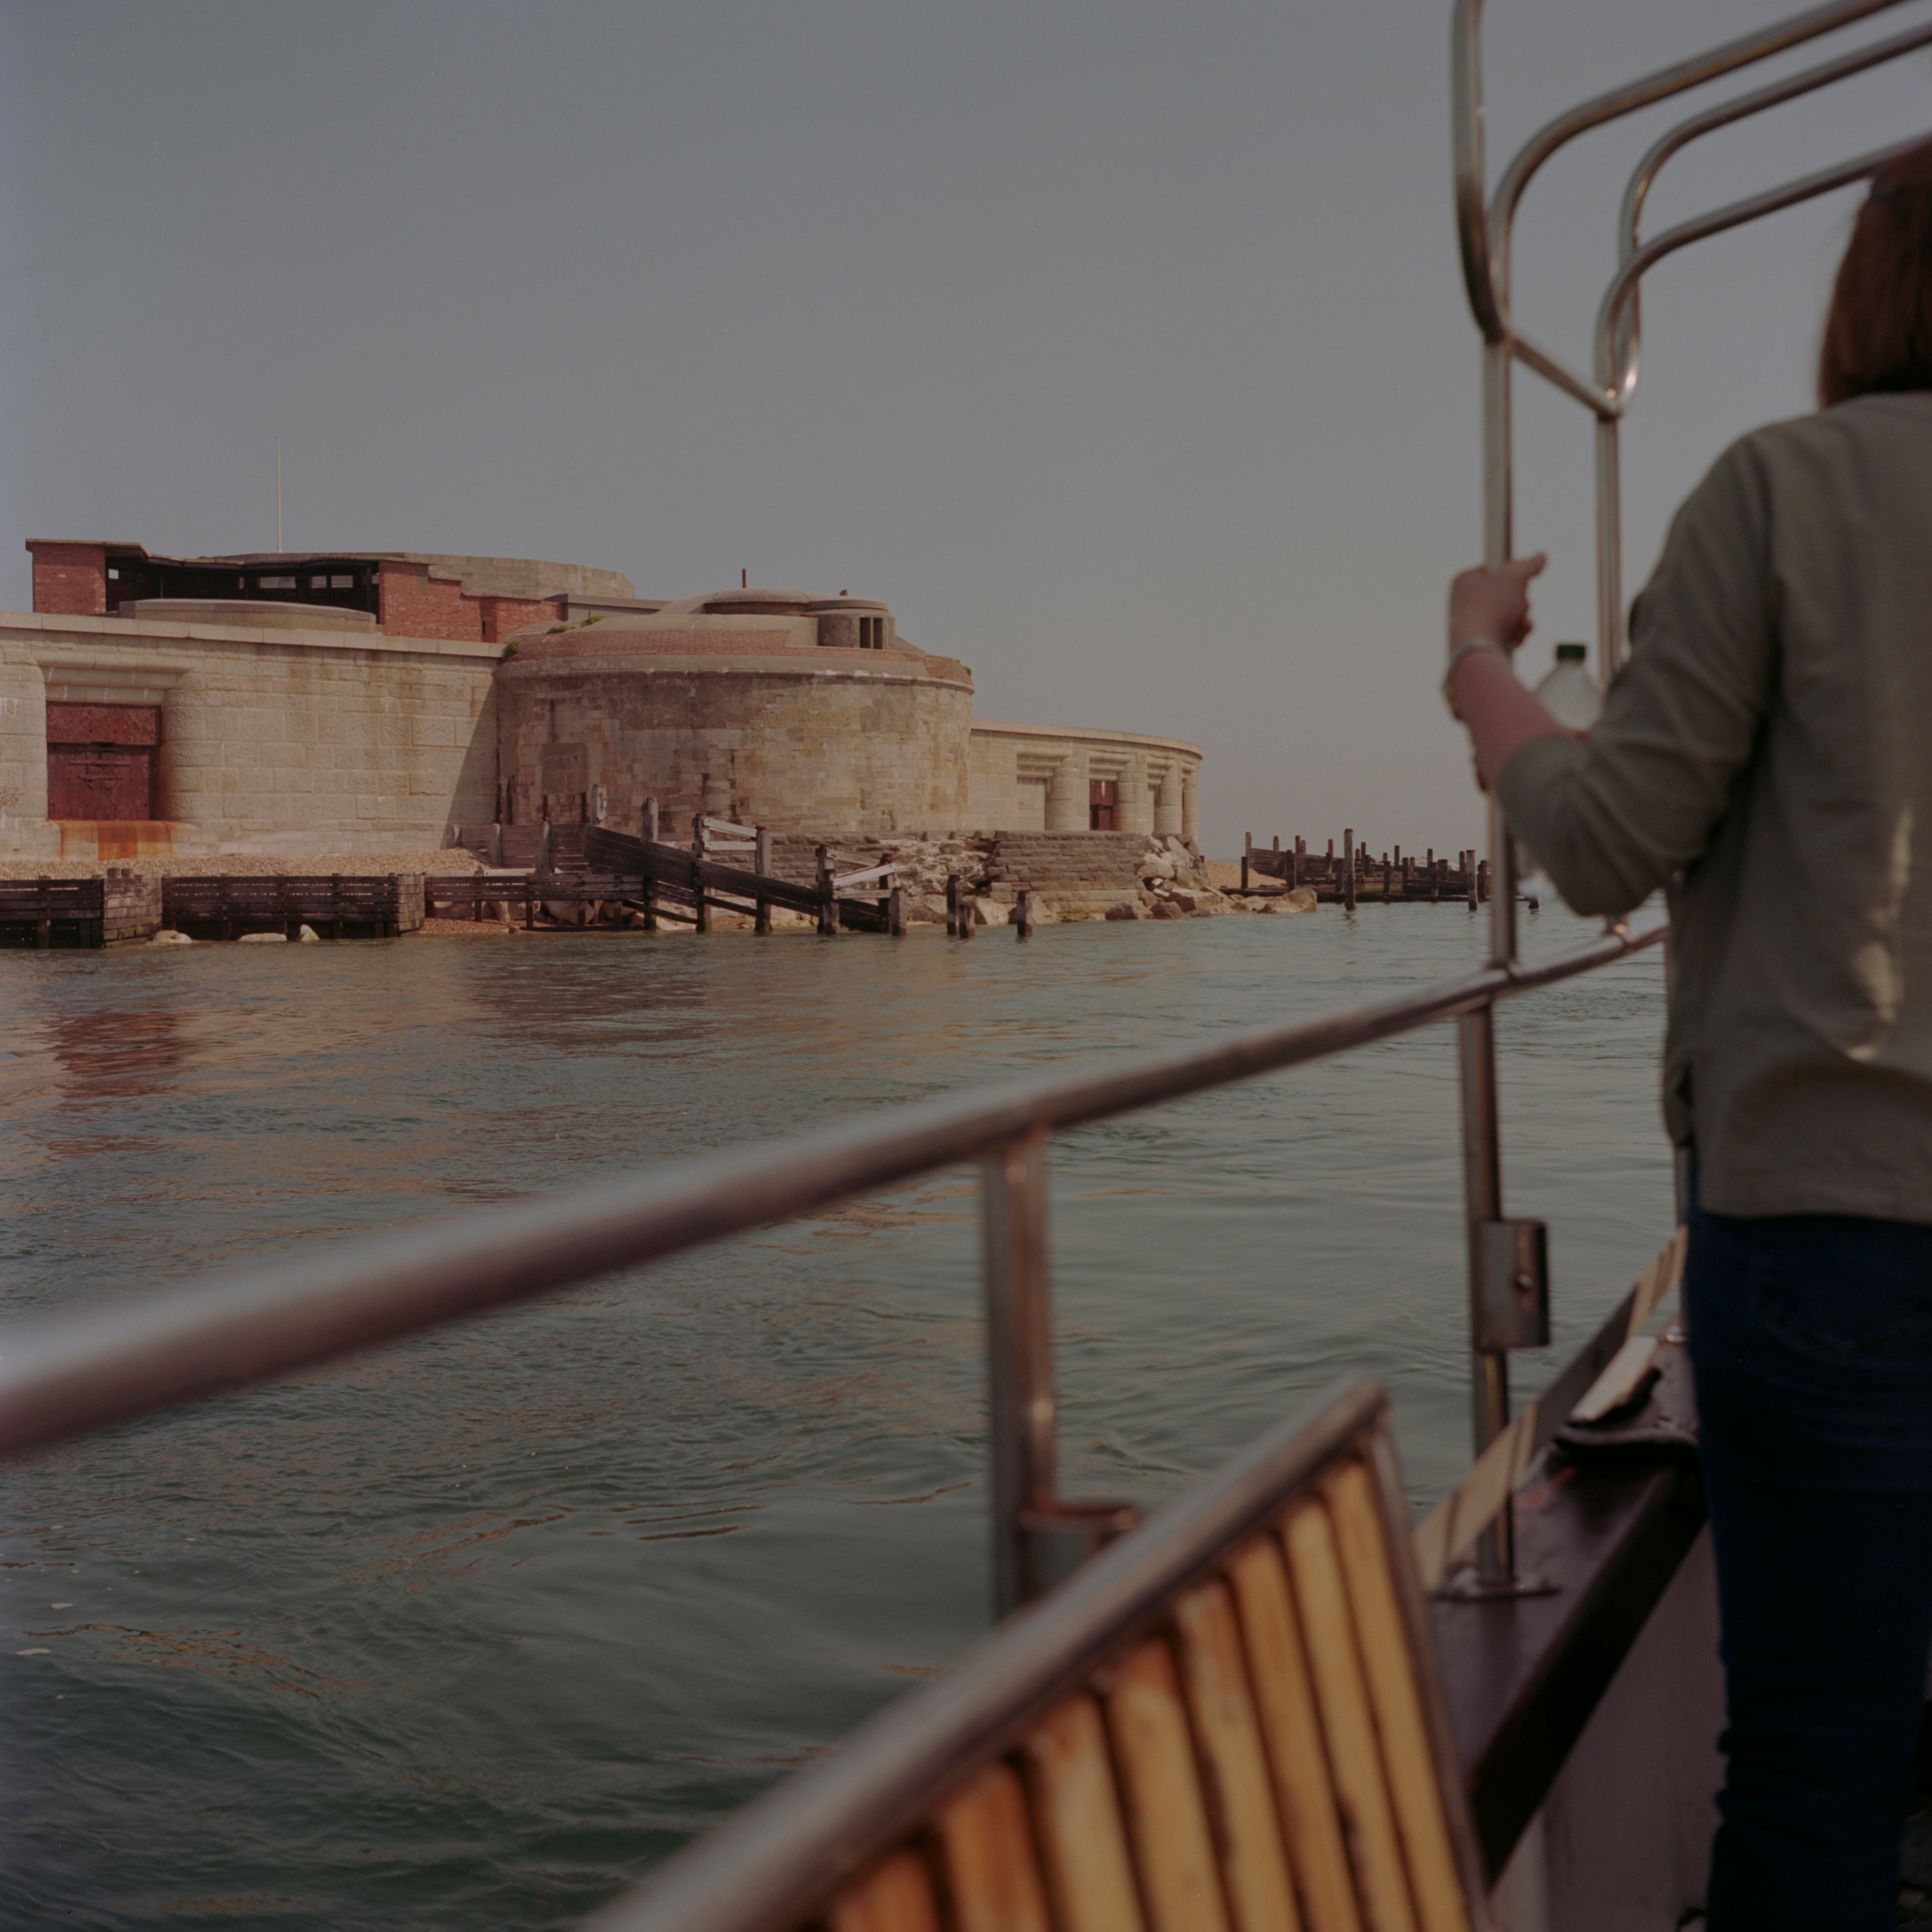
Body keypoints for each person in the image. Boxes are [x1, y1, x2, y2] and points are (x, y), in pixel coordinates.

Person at [1443, 138, 1932, 1932]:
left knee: (1818, 1763)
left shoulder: (1781, 496)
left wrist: (1481, 675)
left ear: (1863, 292)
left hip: (1820, 1227)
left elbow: (1603, 843)